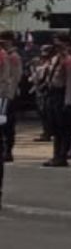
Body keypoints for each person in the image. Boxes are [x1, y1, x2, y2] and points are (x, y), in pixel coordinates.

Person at [42, 34, 71, 168]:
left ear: (66, 44)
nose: (57, 46)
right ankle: (56, 155)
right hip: (52, 94)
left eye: (60, 44)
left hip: (62, 94)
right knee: (54, 127)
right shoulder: (55, 59)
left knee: (62, 128)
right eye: (56, 44)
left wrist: (68, 101)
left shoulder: (69, 60)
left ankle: (62, 156)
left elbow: (70, 82)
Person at [0, 31, 19, 167]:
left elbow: (15, 78)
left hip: (7, 95)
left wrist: (9, 96)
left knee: (7, 124)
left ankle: (8, 151)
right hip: (3, 95)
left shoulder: (13, 57)